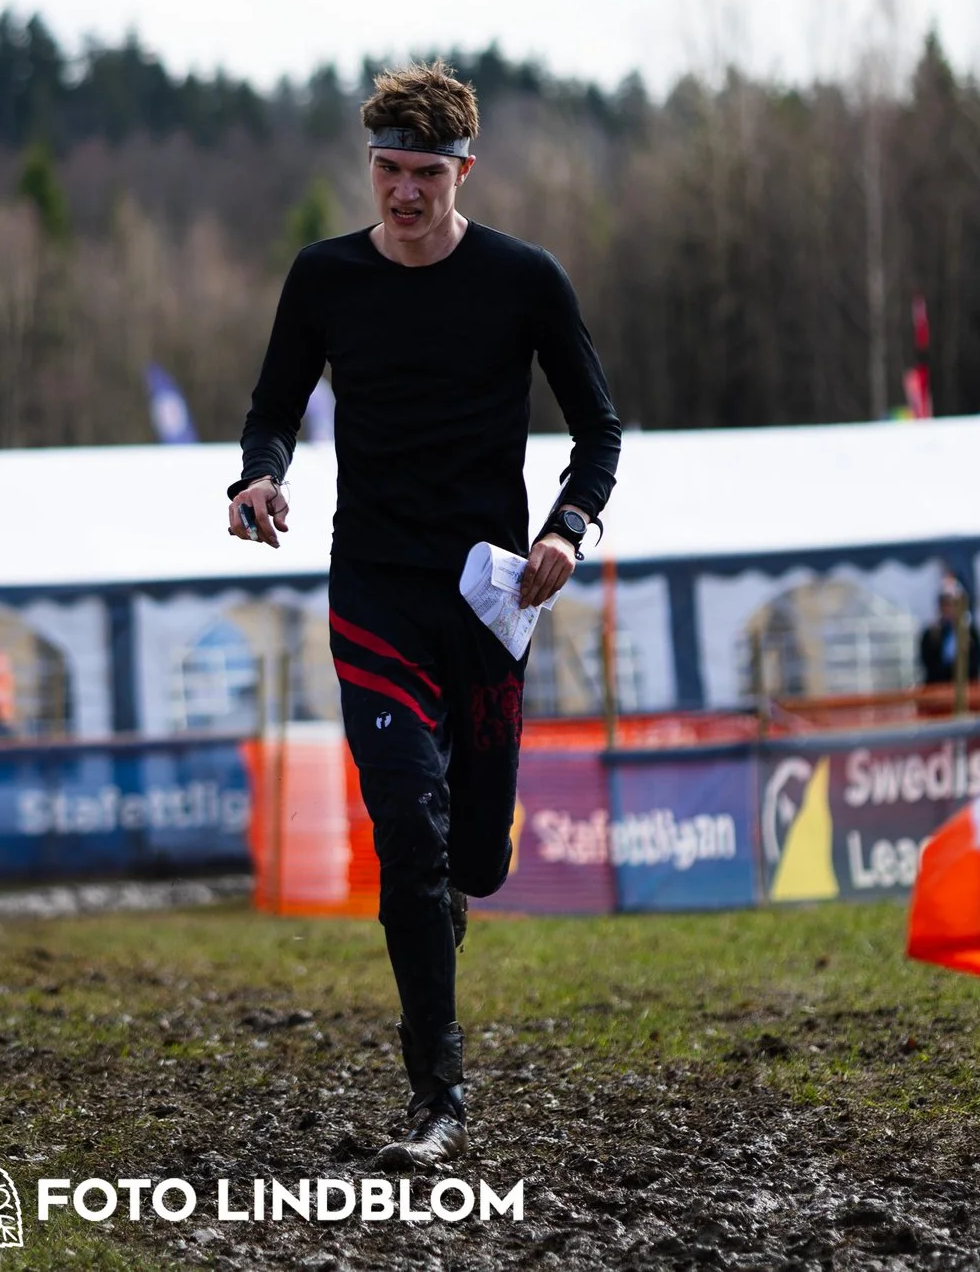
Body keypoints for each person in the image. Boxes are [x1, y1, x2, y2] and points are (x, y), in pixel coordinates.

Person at [226, 61, 621, 1172]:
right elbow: (272, 406)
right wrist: (255, 475)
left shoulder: (523, 279)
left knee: (474, 862)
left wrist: (565, 528)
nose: (404, 194)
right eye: (388, 171)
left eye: (425, 174)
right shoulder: (324, 277)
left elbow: (598, 429)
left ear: (463, 170)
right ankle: (436, 1098)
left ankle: (449, 892)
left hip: (488, 595)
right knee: (406, 824)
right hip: (376, 586)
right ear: (371, 167)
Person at [917, 580, 980, 685]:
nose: (949, 609)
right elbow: (929, 664)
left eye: (953, 604)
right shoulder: (931, 634)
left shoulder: (971, 632)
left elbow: (977, 660)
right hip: (939, 690)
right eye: (945, 604)